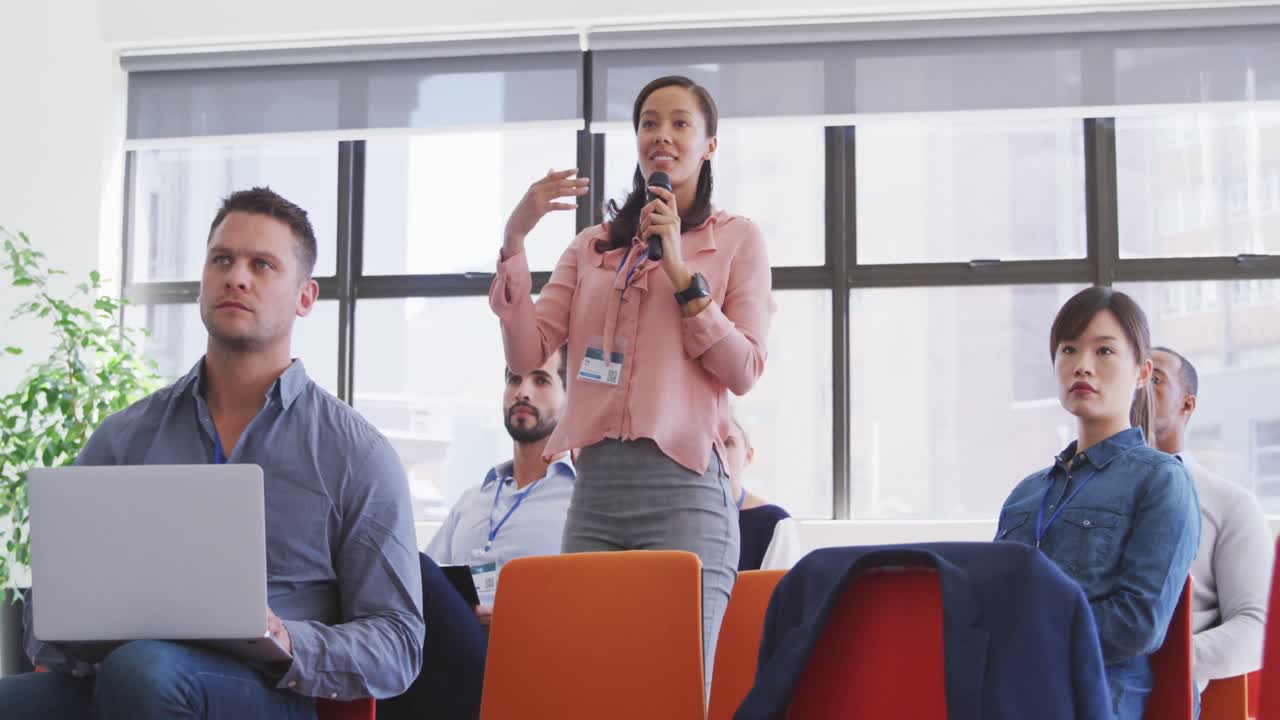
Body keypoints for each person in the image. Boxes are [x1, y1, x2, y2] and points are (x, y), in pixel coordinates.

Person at [0, 187, 424, 719]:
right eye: (221, 259)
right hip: (129, 677)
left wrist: (287, 639)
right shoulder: (125, 436)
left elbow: (398, 643)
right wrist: (76, 624)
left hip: (270, 696)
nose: (236, 276)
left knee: (144, 673)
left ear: (305, 297)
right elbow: (45, 622)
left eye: (262, 264)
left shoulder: (356, 453)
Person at [490, 74, 774, 676]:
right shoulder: (592, 247)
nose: (661, 136)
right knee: (590, 687)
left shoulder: (737, 240)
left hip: (687, 495)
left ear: (709, 145)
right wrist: (514, 239)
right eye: (648, 123)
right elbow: (527, 354)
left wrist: (679, 272)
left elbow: (744, 368)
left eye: (679, 123)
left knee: (675, 687)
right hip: (594, 498)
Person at [995, 286, 1200, 719]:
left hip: (1093, 701)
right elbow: (991, 602)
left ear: (1142, 372)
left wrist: (1031, 634)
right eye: (1068, 350)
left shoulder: (1161, 480)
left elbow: (1137, 623)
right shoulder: (1025, 495)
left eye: (1104, 351)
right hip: (1010, 696)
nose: (1082, 366)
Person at [1150, 346, 1272, 693]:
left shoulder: (1230, 505)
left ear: (1186, 405)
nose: (1136, 389)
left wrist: (1153, 663)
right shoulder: (1077, 493)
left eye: (1153, 379)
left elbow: (1256, 628)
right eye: (1132, 377)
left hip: (1161, 697)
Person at [425, 345, 576, 616]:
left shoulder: (580, 503)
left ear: (569, 399)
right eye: (514, 379)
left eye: (541, 380)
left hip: (536, 642)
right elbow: (424, 580)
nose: (522, 392)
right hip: (458, 640)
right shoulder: (472, 500)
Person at [723, 413, 803, 571]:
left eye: (727, 443)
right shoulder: (673, 520)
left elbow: (779, 594)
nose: (717, 452)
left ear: (748, 456)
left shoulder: (774, 523)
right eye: (708, 443)